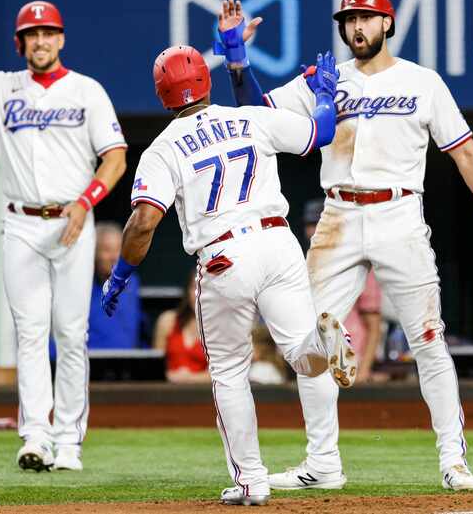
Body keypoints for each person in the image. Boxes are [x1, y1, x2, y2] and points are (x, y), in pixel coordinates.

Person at [220, 0, 473, 492]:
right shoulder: (324, 79)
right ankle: (323, 465)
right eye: (350, 20)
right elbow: (257, 115)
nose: (357, 27)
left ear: (388, 22)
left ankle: (454, 462)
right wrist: (236, 56)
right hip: (337, 215)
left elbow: (465, 152)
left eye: (367, 18)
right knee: (306, 343)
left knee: (428, 339)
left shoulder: (422, 82)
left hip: (400, 213)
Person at [100, 45, 354, 506]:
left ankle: (251, 480)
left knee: (230, 372)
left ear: (163, 94)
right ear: (206, 81)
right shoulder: (250, 118)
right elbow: (321, 132)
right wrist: (324, 93)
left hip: (224, 255)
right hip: (279, 241)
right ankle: (321, 354)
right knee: (300, 356)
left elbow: (142, 223)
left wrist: (119, 275)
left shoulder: (162, 148)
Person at [0, 1, 127, 473]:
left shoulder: (86, 90)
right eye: (31, 34)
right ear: (20, 43)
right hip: (20, 222)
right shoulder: (1, 86)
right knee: (30, 334)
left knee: (72, 335)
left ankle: (70, 440)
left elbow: (114, 158)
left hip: (73, 220)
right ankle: (35, 435)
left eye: (48, 33)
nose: (40, 41)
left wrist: (86, 200)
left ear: (61, 39)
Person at [303, 198, 384, 383]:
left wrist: (363, 371)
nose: (314, 229)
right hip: (317, 358)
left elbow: (374, 325)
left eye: (319, 223)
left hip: (351, 359)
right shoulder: (302, 265)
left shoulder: (357, 264)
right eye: (310, 224)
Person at [88, 221, 145, 349]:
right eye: (107, 250)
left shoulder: (132, 283)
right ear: (94, 252)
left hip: (128, 364)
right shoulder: (81, 286)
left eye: (119, 249)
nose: (114, 257)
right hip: (90, 363)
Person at [153, 271, 209, 383]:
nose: (199, 294)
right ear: (187, 291)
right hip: (165, 392)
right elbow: (155, 368)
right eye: (195, 287)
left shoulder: (220, 329)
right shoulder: (167, 321)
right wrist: (169, 376)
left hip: (203, 395)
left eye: (205, 289)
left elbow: (221, 375)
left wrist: (190, 379)